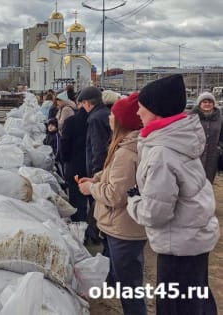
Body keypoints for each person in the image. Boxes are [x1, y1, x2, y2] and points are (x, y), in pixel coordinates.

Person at [127, 74, 219, 315]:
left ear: (155, 111)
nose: (137, 113)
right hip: (194, 236)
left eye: (141, 108)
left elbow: (156, 214)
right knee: (197, 296)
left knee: (177, 306)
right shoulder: (181, 139)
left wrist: (133, 201)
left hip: (178, 244)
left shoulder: (162, 153)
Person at [78, 92, 147, 315]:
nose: (108, 117)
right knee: (123, 277)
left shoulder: (127, 153)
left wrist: (91, 188)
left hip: (124, 228)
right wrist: (96, 178)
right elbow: (113, 176)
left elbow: (116, 195)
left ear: (121, 122)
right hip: (122, 225)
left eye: (113, 115)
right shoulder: (126, 147)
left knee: (130, 286)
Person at [77, 86, 111, 244]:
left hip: (99, 170)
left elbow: (97, 148)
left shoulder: (95, 119)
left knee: (97, 206)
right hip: (106, 169)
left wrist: (95, 174)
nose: (82, 108)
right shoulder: (105, 114)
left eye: (83, 104)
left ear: (87, 103)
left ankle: (95, 236)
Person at [60, 97, 89, 222]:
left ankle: (79, 228)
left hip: (74, 165)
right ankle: (93, 231)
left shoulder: (71, 121)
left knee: (77, 200)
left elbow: (64, 144)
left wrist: (65, 160)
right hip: (94, 167)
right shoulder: (98, 119)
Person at [190, 91, 223, 183]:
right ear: (200, 104)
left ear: (213, 104)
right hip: (194, 155)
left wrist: (219, 147)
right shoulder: (191, 117)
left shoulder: (220, 118)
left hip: (212, 157)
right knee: (193, 181)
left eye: (210, 102)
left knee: (208, 181)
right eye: (204, 102)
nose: (207, 104)